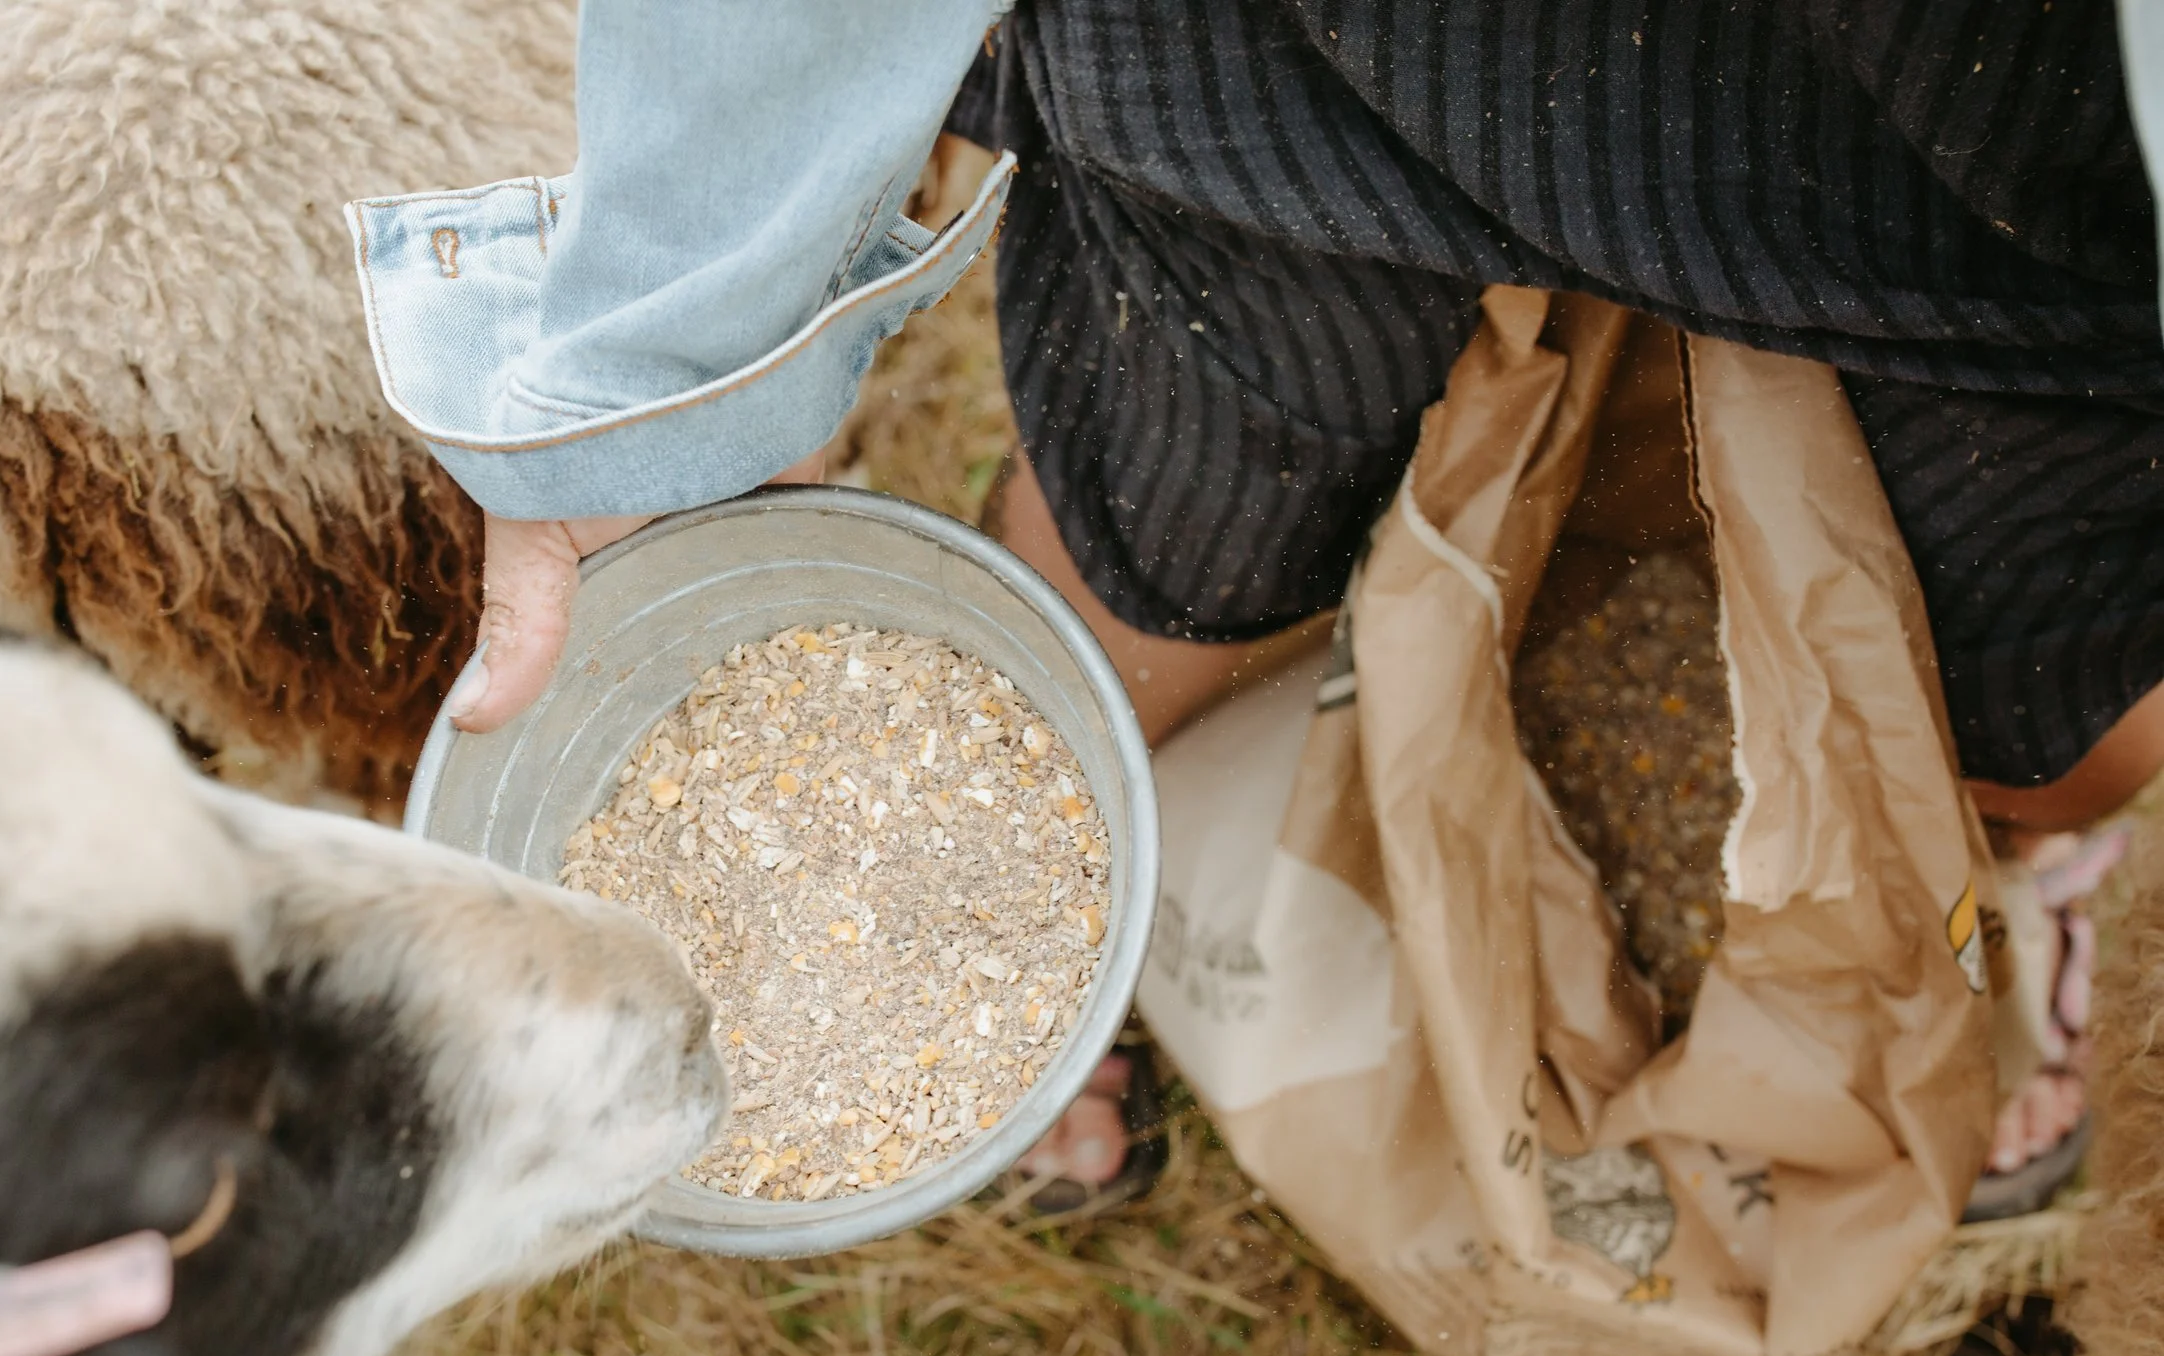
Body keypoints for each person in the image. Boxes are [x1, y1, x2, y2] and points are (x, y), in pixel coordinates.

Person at [348, 0, 2164, 1213]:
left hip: (1993, 149)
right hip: (1278, 66)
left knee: (2044, 729)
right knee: (1155, 557)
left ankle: (2022, 864)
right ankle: (1017, 955)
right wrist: (657, 354)